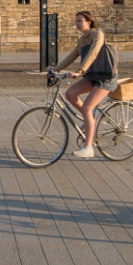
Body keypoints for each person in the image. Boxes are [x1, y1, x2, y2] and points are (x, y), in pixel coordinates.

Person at [49, 11, 119, 158]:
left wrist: (80, 71)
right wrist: (56, 69)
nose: (77, 24)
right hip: (92, 75)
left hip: (106, 77)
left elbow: (94, 53)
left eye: (80, 21)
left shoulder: (97, 34)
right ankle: (91, 118)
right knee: (70, 93)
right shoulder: (82, 39)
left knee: (87, 107)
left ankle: (88, 147)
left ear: (89, 22)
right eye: (76, 22)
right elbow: (72, 55)